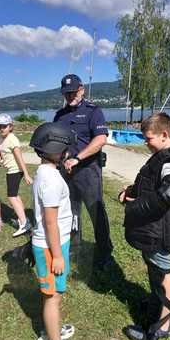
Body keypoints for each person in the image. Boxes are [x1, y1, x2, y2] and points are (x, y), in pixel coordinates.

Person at [119, 113, 170, 340]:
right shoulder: (162, 156)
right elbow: (152, 185)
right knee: (157, 274)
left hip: (160, 232)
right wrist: (131, 191)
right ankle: (156, 307)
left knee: (163, 277)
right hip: (155, 230)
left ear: (164, 135)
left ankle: (161, 329)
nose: (145, 142)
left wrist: (135, 207)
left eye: (148, 138)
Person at [29, 122, 85, 340]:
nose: (67, 153)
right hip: (52, 247)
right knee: (53, 297)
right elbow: (50, 222)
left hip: (52, 244)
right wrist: (59, 256)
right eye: (64, 150)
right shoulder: (51, 180)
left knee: (51, 293)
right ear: (53, 150)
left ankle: (51, 330)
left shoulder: (46, 172)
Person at [53, 74, 113, 270]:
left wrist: (78, 158)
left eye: (72, 92)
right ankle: (75, 248)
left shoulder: (93, 112)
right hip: (66, 172)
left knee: (96, 212)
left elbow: (101, 139)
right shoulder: (59, 116)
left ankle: (105, 252)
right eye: (66, 93)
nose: (69, 96)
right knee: (71, 213)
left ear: (81, 89)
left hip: (88, 170)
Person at [0, 113, 33, 237]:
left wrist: (26, 174)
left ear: (10, 126)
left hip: (15, 170)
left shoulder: (12, 139)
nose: (1, 129)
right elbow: (2, 155)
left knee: (11, 197)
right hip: (10, 170)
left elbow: (19, 158)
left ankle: (24, 224)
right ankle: (24, 219)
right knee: (15, 195)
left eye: (4, 126)